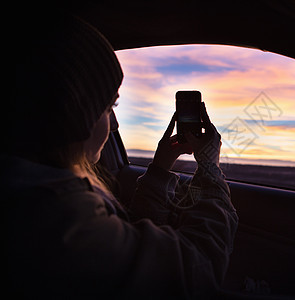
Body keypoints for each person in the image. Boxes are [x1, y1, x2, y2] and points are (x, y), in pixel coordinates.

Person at [6, 13, 238, 299]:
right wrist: (210, 169)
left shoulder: (36, 196)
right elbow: (195, 269)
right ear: (73, 113)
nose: (114, 123)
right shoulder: (58, 217)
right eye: (107, 108)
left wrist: (161, 168)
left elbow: (130, 240)